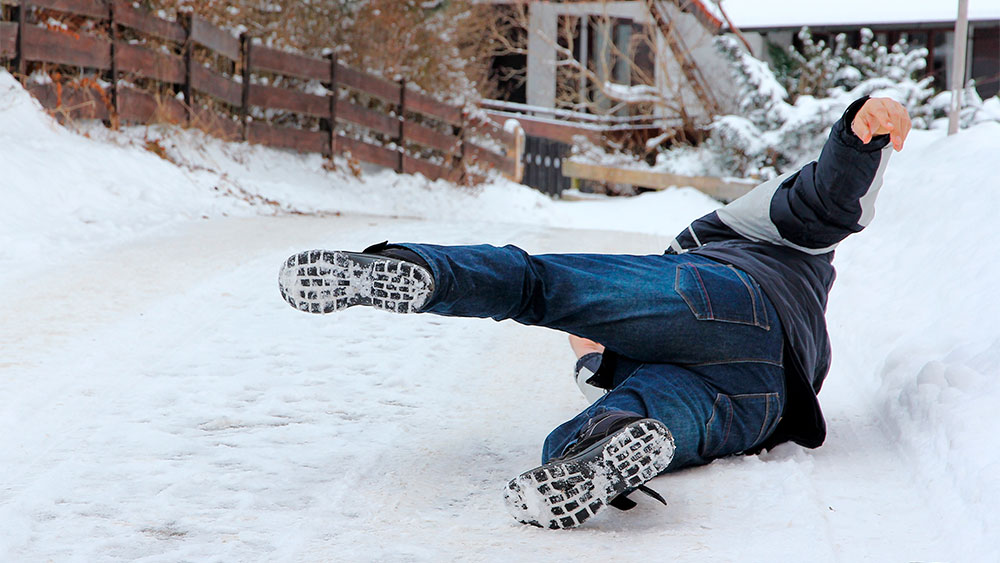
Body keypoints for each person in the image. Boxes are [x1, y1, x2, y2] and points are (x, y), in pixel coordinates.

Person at [277, 96, 911, 529]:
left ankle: (422, 270)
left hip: (729, 301)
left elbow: (823, 200)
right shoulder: (742, 275)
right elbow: (600, 362)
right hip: (764, 397)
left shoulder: (737, 230)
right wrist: (593, 357)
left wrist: (860, 133)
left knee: (538, 287)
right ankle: (600, 458)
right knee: (626, 415)